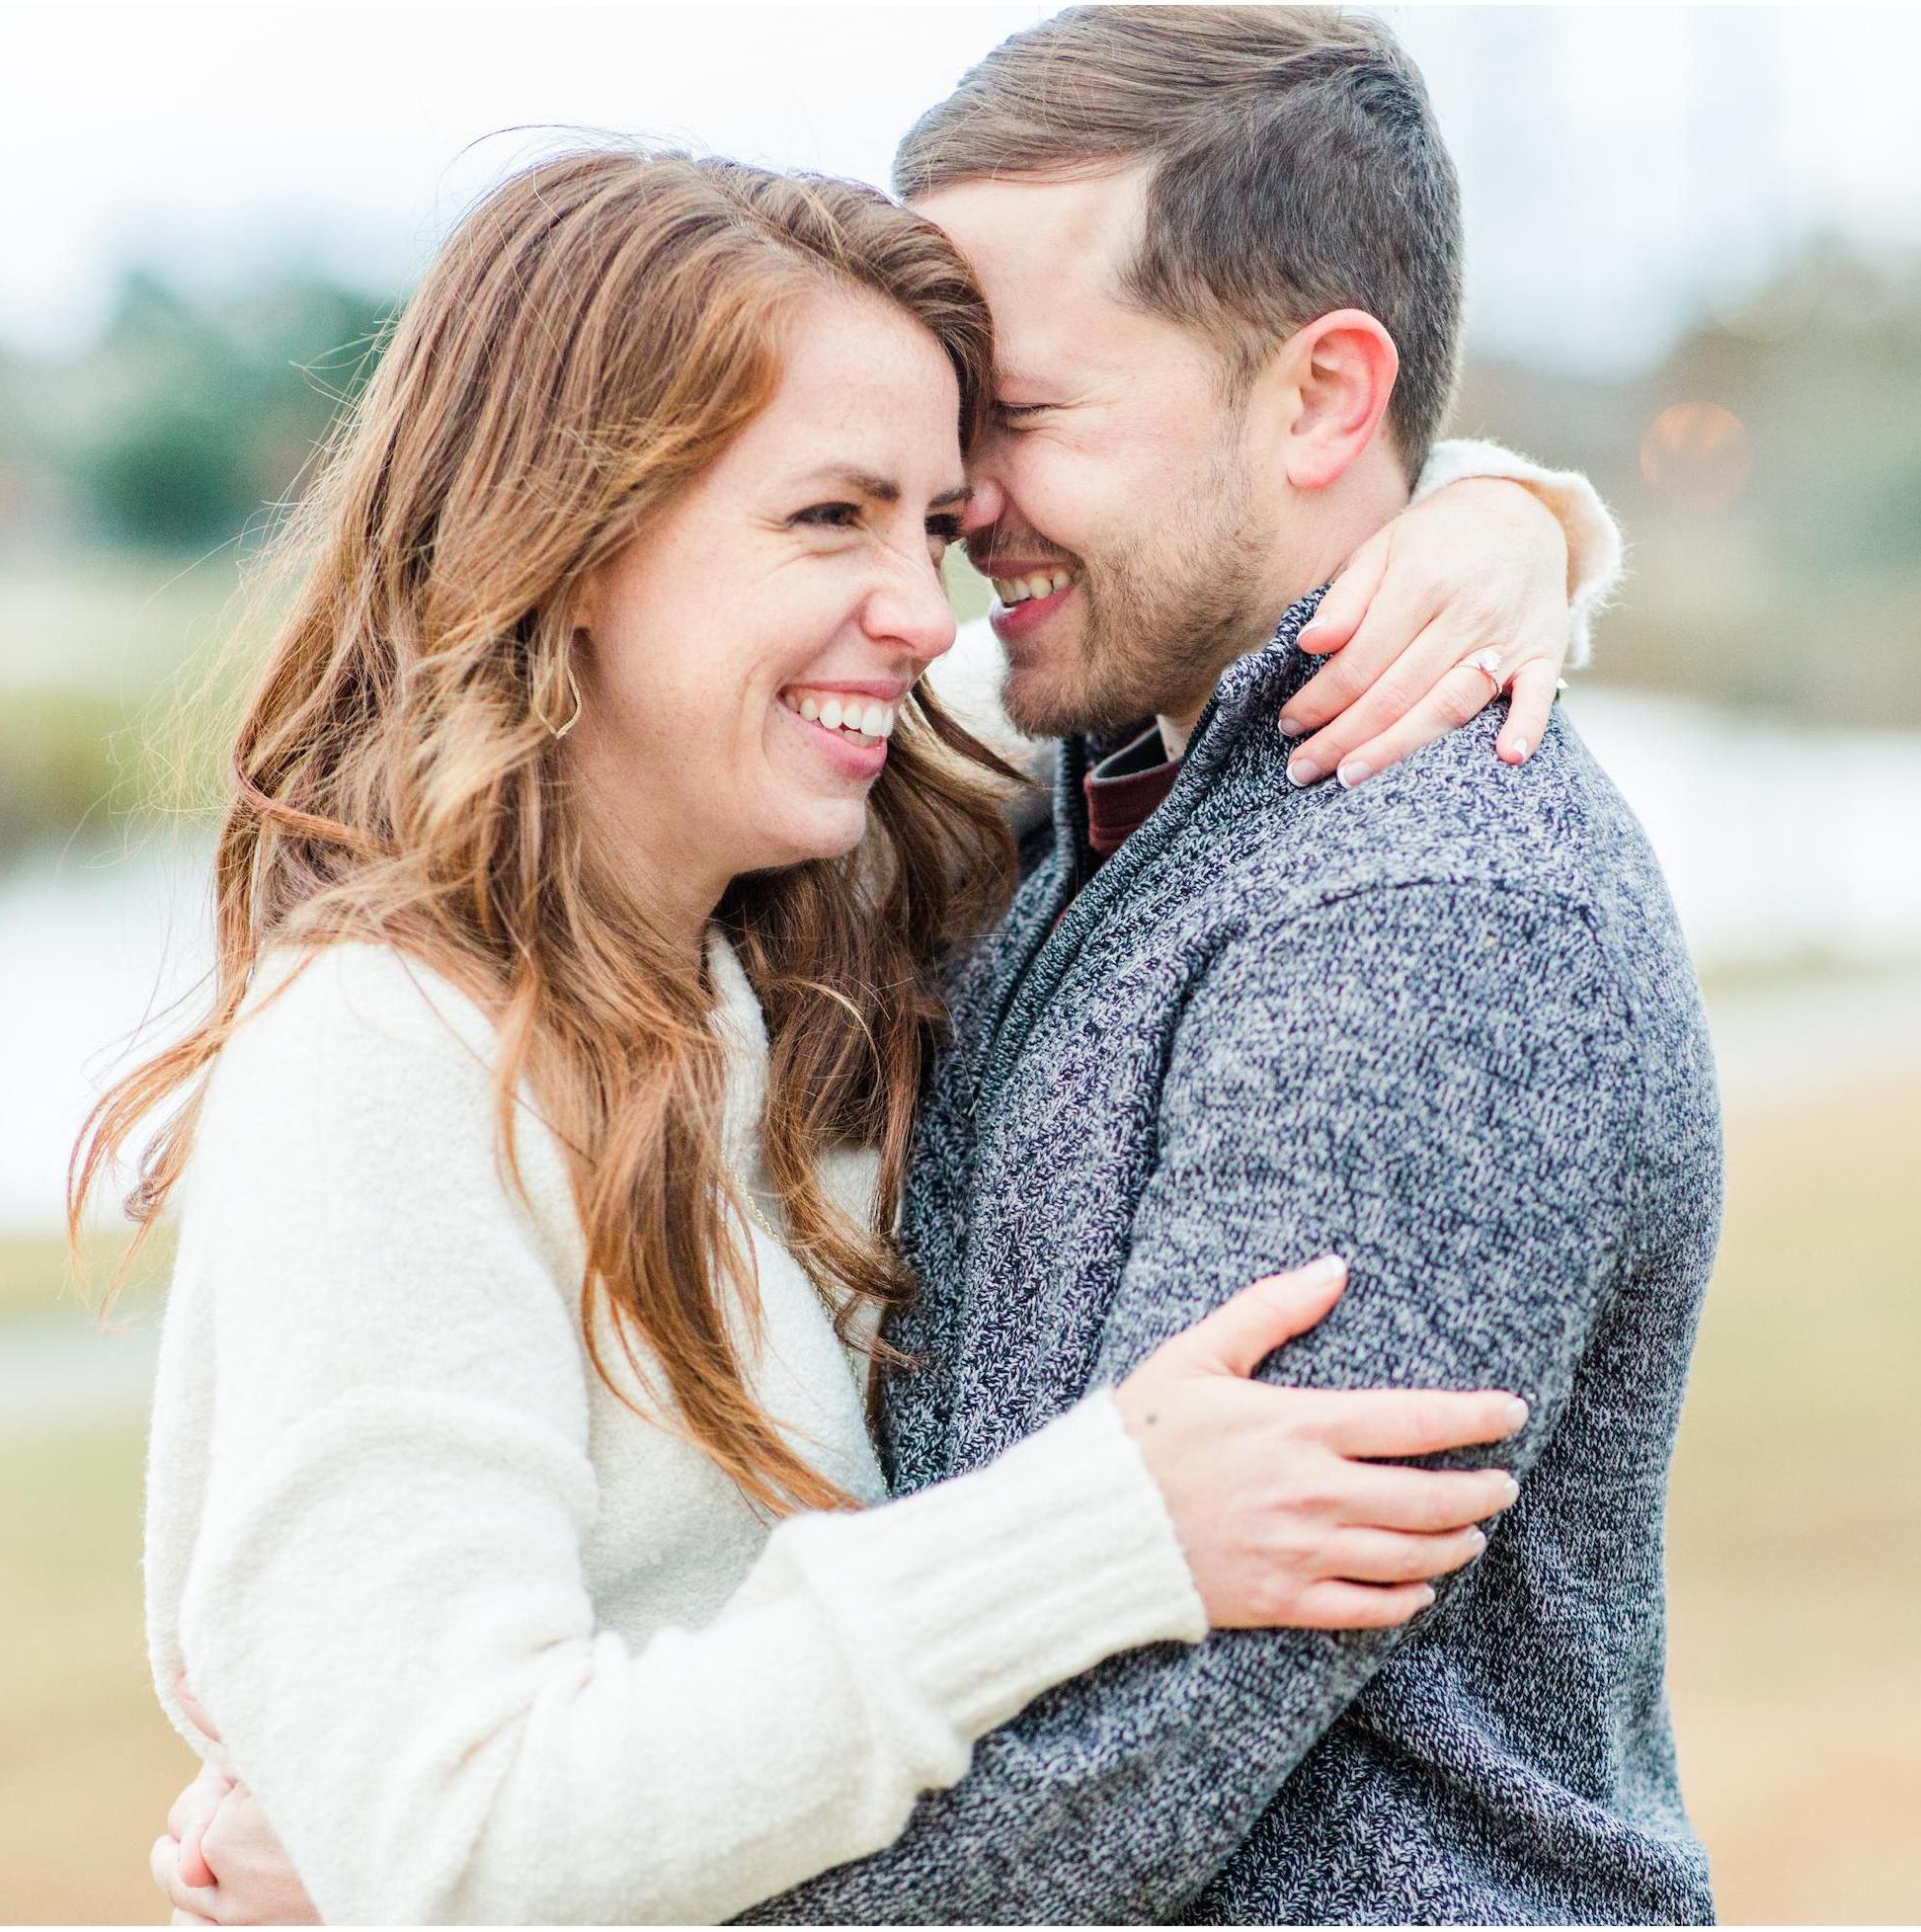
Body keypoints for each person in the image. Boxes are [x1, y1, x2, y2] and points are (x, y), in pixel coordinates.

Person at [104, 139, 1605, 1928]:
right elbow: (463, 1842)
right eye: (834, 517)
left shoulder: (812, 886)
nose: (920, 614)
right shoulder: (383, 1056)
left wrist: (1503, 521)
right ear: (569, 544)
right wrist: (1100, 1525)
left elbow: (1254, 578)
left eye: (938, 524)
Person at [722, 9, 1717, 1925]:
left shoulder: (1423, 918)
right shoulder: (1071, 806)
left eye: (1020, 415)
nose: (955, 502)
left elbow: (1129, 1752)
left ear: (1326, 399)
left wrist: (484, 1881)